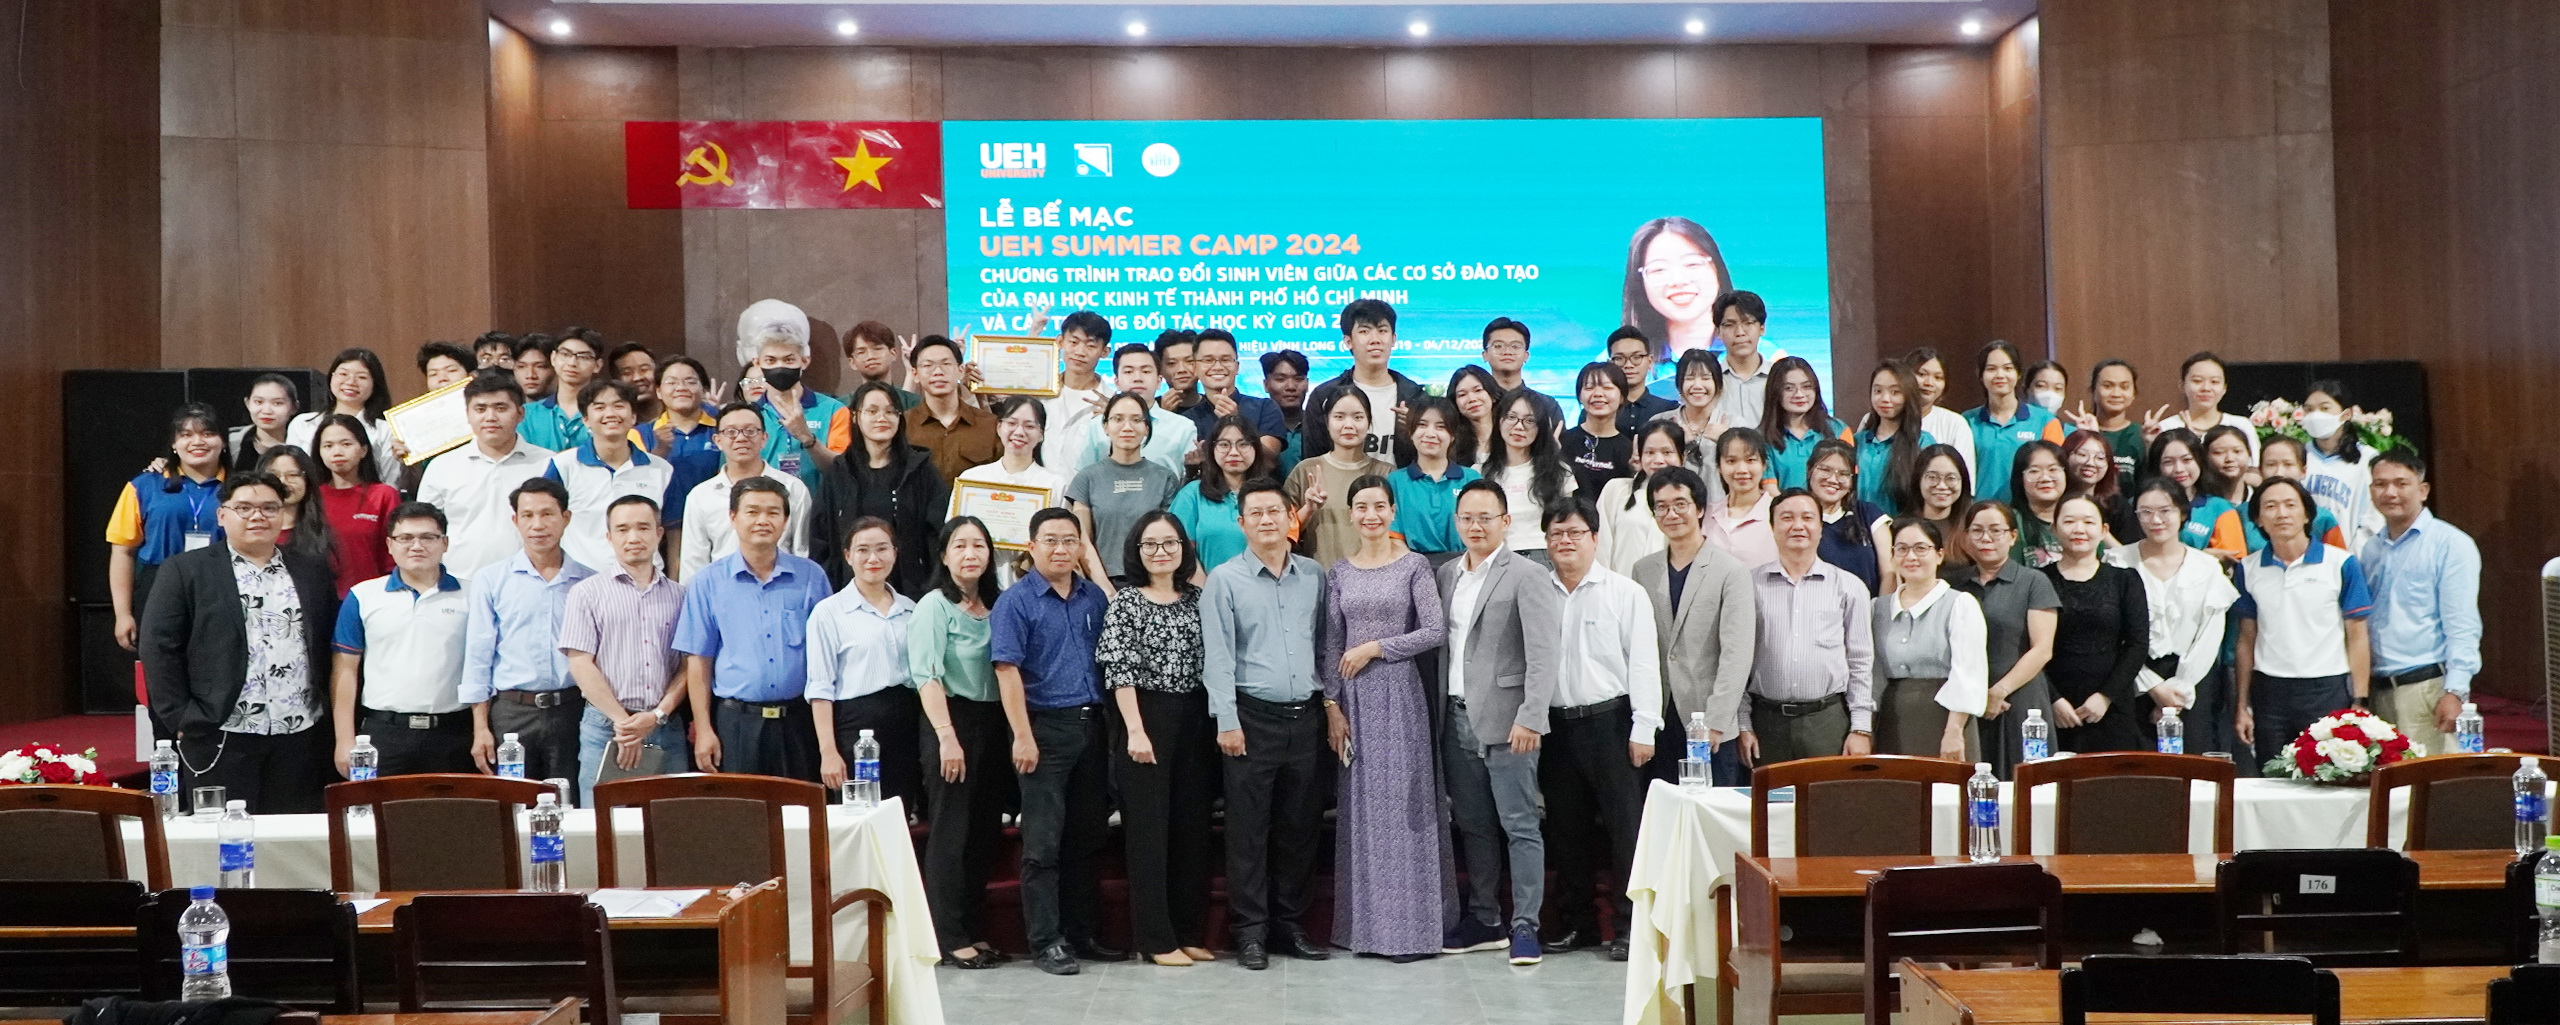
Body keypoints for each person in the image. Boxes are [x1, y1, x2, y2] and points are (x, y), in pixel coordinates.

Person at [1307, 476, 1448, 960]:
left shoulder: (1413, 567)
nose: (1371, 514)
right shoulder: (1340, 572)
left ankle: (1411, 930)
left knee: (1405, 811)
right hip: (1353, 700)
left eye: (1379, 506)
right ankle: (1366, 929)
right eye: (1361, 507)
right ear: (1351, 514)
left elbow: (1433, 630)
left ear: (1393, 512)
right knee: (1363, 812)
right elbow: (1330, 645)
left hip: (1400, 693)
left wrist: (1376, 648)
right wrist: (1331, 705)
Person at [139, 472, 335, 813]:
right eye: (244, 507)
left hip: (300, 733)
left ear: (284, 514)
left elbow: (326, 646)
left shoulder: (310, 570)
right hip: (222, 732)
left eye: (269, 508)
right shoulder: (186, 570)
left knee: (294, 846)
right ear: (222, 515)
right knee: (221, 845)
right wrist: (183, 717)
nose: (257, 516)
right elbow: (159, 648)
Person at [1203, 481, 1332, 971]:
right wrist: (1228, 722)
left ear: (1289, 517)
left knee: (1299, 828)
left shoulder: (1314, 575)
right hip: (1251, 719)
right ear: (1241, 523)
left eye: (1274, 511)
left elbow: (1323, 644)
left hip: (1307, 716)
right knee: (1248, 831)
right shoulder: (1225, 579)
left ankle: (1288, 924)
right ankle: (1250, 931)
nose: (1266, 520)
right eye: (1254, 513)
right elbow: (1218, 657)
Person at [1436, 479, 1560, 965]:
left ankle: (1525, 924)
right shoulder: (1447, 574)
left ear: (1506, 522)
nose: (1475, 526)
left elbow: (1544, 653)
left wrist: (1532, 716)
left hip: (1512, 723)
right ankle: (1485, 918)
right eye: (1467, 517)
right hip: (1457, 719)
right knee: (1473, 824)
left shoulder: (1528, 574)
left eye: (1486, 517)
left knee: (1520, 825)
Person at [990, 508, 1117, 975]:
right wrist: (1022, 735)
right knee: (1042, 842)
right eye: (1051, 541)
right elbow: (1007, 671)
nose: (1061, 549)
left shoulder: (1092, 599)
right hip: (1043, 730)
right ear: (1032, 546)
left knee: (1087, 837)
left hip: (1092, 726)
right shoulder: (1016, 602)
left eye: (1070, 541)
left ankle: (1082, 934)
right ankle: (1047, 941)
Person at [1535, 496, 1659, 961]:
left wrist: (1645, 727)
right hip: (1556, 728)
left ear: (1594, 538)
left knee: (1625, 831)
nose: (1564, 541)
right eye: (1555, 534)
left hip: (1612, 722)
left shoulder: (1625, 593)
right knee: (1567, 830)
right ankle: (1578, 925)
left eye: (1574, 533)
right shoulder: (1537, 591)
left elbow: (1644, 663)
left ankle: (1629, 928)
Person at [1096, 513, 1218, 966]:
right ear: (1137, 551)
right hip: (1145, 718)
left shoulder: (1196, 599)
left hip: (1195, 719)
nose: (1161, 552)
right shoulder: (1127, 602)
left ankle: (1188, 931)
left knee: (1191, 828)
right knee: (1149, 832)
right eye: (1151, 544)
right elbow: (1119, 670)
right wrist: (1134, 730)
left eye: (1170, 543)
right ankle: (1155, 938)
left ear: (1185, 549)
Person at [676, 476, 833, 780]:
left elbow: (827, 655)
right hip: (737, 723)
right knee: (743, 818)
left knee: (802, 816)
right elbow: (698, 660)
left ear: (786, 520)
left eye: (773, 512)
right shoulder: (708, 582)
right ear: (733, 517)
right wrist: (704, 728)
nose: (763, 520)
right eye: (752, 512)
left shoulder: (811, 577)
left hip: (800, 721)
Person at [909, 518, 1010, 968]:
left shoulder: (999, 604)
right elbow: (926, 675)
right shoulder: (934, 605)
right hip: (951, 723)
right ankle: (947, 935)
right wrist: (947, 738)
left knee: (984, 832)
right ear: (944, 555)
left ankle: (971, 927)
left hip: (994, 723)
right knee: (951, 832)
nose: (971, 553)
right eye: (960, 545)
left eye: (979, 545)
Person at [458, 477, 594, 783]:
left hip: (572, 709)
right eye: (528, 516)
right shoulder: (491, 579)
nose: (538, 525)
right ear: (515, 521)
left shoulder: (589, 583)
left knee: (569, 802)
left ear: (566, 518)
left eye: (547, 514)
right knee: (514, 805)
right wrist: (481, 726)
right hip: (511, 712)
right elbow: (479, 656)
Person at [561, 494, 690, 807]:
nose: (634, 538)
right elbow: (580, 663)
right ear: (608, 537)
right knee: (601, 827)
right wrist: (623, 722)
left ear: (659, 534)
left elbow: (689, 666)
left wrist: (658, 714)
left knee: (671, 827)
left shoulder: (680, 595)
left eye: (643, 528)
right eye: (622, 529)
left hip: (664, 727)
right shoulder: (586, 593)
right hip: (605, 728)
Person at [2235, 477, 2374, 764]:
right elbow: (2246, 638)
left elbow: (2358, 635)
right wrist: (2241, 705)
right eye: (2270, 506)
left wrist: (2360, 701)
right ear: (2258, 519)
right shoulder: (2248, 569)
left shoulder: (2341, 564)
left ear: (2307, 514)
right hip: (2270, 691)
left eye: (2290, 505)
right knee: (2273, 776)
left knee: (2327, 776)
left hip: (2327, 689)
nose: (2281, 513)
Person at [1631, 467, 1756, 786]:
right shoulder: (1643, 570)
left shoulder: (1731, 571)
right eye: (1661, 506)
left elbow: (1737, 655)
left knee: (1713, 817)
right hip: (1659, 718)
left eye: (1680, 504)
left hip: (1708, 721)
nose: (1671, 513)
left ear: (1700, 508)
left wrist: (1716, 721)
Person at [331, 502, 473, 777]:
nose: (416, 546)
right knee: (378, 817)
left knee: (454, 817)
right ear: (389, 544)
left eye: (427, 537)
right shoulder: (363, 596)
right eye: (405, 538)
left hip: (454, 734)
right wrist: (344, 740)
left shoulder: (472, 595)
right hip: (383, 735)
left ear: (445, 543)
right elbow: (345, 670)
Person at [2359, 450, 2480, 760]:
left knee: (2434, 794)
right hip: (2379, 691)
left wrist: (2455, 692)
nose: (2390, 492)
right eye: (2380, 484)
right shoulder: (2371, 549)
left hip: (2428, 689)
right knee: (2387, 796)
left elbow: (2462, 625)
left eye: (2401, 483)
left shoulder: (2450, 544)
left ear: (2423, 490)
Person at [1740, 489, 1875, 765]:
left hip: (1827, 721)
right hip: (1765, 721)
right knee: (1769, 806)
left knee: (1827, 805)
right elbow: (1736, 660)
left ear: (1820, 527)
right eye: (1786, 518)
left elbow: (1861, 661)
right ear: (1772, 527)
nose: (1797, 525)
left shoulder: (1848, 586)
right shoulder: (1748, 585)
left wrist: (1860, 727)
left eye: (1807, 518)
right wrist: (1743, 723)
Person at [2108, 479, 2241, 753]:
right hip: (2132, 679)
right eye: (2145, 512)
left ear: (2182, 512)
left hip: (2190, 685)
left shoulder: (2206, 567)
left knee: (2188, 773)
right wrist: (2153, 688)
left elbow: (2209, 636)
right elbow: (2113, 634)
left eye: (2165, 510)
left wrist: (2177, 693)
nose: (2155, 520)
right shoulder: (2117, 562)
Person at [808, 517, 922, 811]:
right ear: (847, 556)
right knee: (857, 819)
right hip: (855, 729)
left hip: (906, 724)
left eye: (882, 548)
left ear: (895, 553)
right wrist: (828, 751)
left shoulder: (911, 609)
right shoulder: (828, 612)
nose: (874, 558)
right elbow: (820, 688)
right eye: (863, 550)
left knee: (899, 818)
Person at [1947, 501, 2060, 776]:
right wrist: (1976, 697)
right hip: (1968, 703)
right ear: (1965, 537)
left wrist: (1998, 692)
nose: (1986, 538)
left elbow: (2042, 650)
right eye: (1977, 531)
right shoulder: (1954, 585)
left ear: (2012, 536)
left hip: (2019, 700)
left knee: (2023, 789)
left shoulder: (2033, 581)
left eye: (1996, 531)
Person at [109, 405, 231, 651]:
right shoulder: (144, 485)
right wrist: (123, 614)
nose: (197, 441)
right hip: (158, 585)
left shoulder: (240, 487)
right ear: (174, 444)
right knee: (161, 671)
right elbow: (122, 552)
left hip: (223, 586)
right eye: (186, 435)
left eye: (207, 433)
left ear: (223, 442)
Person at [811, 381, 948, 596]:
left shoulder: (920, 469)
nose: (882, 418)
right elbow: (821, 539)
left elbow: (938, 535)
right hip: (848, 591)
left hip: (912, 589)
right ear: (856, 416)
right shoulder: (840, 472)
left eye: (891, 411)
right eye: (872, 411)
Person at [2040, 493, 2150, 753]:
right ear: (2054, 529)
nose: (2079, 529)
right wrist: (2053, 700)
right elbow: (2028, 647)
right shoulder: (2038, 580)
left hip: (2111, 704)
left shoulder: (2125, 580)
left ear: (2103, 531)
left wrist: (2105, 697)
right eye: (2069, 522)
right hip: (2053, 703)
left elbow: (2137, 643)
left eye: (2088, 522)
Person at [1870, 519, 1988, 760]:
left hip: (1944, 720)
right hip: (1889, 719)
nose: (1910, 556)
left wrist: (1954, 731)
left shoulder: (1960, 604)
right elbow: (1871, 672)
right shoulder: (1877, 608)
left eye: (1921, 548)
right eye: (1901, 549)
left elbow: (1968, 673)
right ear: (1892, 556)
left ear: (1939, 555)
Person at [417, 372, 553, 580]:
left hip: (532, 580)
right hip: (460, 582)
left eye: (500, 408)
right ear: (467, 415)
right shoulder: (442, 467)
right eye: (480, 409)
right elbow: (424, 529)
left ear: (520, 414)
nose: (490, 417)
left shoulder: (548, 464)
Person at [541, 380, 673, 575]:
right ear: (585, 419)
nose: (610, 414)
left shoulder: (661, 469)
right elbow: (544, 522)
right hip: (579, 581)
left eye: (619, 406)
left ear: (633, 417)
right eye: (600, 407)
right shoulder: (563, 465)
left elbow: (674, 533)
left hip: (644, 582)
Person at [679, 402, 813, 578]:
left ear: (764, 438)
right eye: (731, 432)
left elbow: (802, 550)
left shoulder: (792, 488)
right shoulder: (701, 496)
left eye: (750, 431)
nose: (741, 438)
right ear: (718, 441)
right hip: (721, 594)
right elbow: (693, 563)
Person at [1068, 392, 1182, 585]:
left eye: (1136, 420)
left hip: (1154, 583)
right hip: (1102, 583)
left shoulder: (1165, 478)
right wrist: (1105, 590)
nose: (1127, 427)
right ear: (1105, 427)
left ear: (1146, 428)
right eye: (1118, 419)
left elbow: (1170, 539)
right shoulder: (1087, 478)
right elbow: (1083, 540)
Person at [1298, 299, 1425, 464]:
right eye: (1364, 331)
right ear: (1348, 341)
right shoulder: (1324, 396)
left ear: (1393, 339)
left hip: (1399, 489)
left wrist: (1416, 428)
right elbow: (1313, 459)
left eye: (1382, 330)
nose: (1375, 339)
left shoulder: (1415, 397)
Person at [1285, 387, 1397, 569]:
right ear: (1327, 423)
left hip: (1375, 581)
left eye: (1358, 417)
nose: (1349, 425)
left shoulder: (1386, 473)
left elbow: (1397, 534)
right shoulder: (1306, 471)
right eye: (1339, 417)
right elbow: (1284, 531)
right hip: (1320, 580)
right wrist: (1309, 508)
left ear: (1369, 422)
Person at [1058, 343, 1197, 480]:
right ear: (1117, 382)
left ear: (1159, 381)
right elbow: (1084, 479)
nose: (1137, 378)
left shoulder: (1182, 427)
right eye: (1129, 372)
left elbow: (1189, 483)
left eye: (1146, 371)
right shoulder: (1097, 426)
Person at [740, 316, 847, 492]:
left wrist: (807, 438)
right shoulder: (748, 415)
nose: (780, 366)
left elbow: (842, 470)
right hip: (764, 513)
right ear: (757, 363)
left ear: (804, 361)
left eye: (789, 360)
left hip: (819, 512)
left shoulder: (834, 410)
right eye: (771, 361)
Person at [1480, 389, 1576, 564]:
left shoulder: (1559, 471)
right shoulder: (1481, 470)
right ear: (1499, 420)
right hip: (1496, 557)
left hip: (1546, 557)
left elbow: (1567, 523)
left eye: (1529, 421)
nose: (1519, 426)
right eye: (1511, 417)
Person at [306, 415, 398, 594]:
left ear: (363, 450)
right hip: (321, 597)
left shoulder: (384, 495)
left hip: (371, 596)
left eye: (346, 444)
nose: (337, 452)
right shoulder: (311, 496)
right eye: (328, 446)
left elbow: (392, 556)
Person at [1964, 341, 2066, 503]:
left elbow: (2057, 474)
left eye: (2007, 368)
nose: (2000, 375)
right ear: (1981, 375)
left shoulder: (2046, 422)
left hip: (2028, 514)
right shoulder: (1966, 422)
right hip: (1980, 514)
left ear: (2018, 374)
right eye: (1991, 369)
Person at [1621, 217, 1732, 364]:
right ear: (1639, 282)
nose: (1678, 281)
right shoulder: (1615, 366)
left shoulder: (1765, 358)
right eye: (1658, 269)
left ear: (1717, 269)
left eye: (1692, 264)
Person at [1386, 398, 1479, 568]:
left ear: (1453, 435)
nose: (1430, 434)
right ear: (1410, 432)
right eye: (1422, 425)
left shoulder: (1471, 479)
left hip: (1466, 568)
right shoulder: (1395, 481)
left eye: (1441, 427)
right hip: (1411, 569)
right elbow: (1393, 538)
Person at [1169, 413, 1267, 573]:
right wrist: (1204, 588)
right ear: (1212, 449)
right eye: (1224, 445)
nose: (1234, 452)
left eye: (1243, 444)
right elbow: (1178, 549)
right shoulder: (1192, 494)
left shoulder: (1270, 494)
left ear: (1256, 449)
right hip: (1205, 590)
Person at [286, 348, 402, 483]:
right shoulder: (303, 423)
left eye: (362, 377)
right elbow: (291, 473)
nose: (351, 382)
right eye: (343, 374)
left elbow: (390, 482)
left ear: (374, 384)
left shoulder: (385, 429)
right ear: (331, 377)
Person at [647, 356, 722, 565]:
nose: (681, 388)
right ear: (659, 391)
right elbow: (640, 480)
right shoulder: (641, 434)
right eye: (671, 382)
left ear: (704, 389)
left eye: (690, 381)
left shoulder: (724, 426)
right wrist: (660, 449)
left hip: (720, 523)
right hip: (667, 531)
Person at [2296, 379, 2382, 551]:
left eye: (2325, 408)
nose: (2315, 415)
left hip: (2349, 556)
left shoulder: (2367, 458)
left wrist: (2354, 557)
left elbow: (2373, 516)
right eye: (2309, 409)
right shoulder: (2299, 455)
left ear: (2346, 414)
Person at [903, 335, 1000, 485]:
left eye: (946, 364)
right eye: (928, 365)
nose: (938, 372)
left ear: (960, 370)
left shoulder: (989, 424)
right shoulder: (903, 425)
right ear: (915, 374)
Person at [2142, 428, 2246, 560]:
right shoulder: (2141, 505)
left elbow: (2233, 559)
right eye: (2168, 462)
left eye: (2187, 460)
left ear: (2199, 461)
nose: (2179, 469)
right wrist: (2202, 555)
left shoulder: (2219, 508)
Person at [1184, 329, 1288, 460]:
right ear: (1194, 368)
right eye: (1208, 360)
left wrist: (1236, 423)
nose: (1217, 366)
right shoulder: (1186, 420)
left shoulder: (1265, 408)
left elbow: (1269, 460)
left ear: (1237, 367)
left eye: (1225, 359)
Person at [1596, 421, 1683, 575]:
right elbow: (1600, 548)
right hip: (1618, 591)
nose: (1658, 460)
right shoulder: (1617, 490)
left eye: (1667, 452)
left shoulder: (1689, 500)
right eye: (1650, 452)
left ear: (1682, 456)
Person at [1807, 439, 1891, 592]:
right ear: (1810, 470)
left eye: (1844, 474)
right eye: (1825, 470)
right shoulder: (1799, 516)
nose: (1833, 479)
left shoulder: (1869, 514)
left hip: (1868, 611)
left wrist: (1880, 613)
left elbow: (1889, 574)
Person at [2061, 359, 2164, 481]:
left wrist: (2151, 446)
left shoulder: (2141, 435)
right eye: (2107, 386)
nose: (2116, 393)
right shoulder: (2073, 432)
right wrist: (2088, 437)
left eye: (2124, 387)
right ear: (2093, 390)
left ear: (2134, 393)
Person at [1853, 361, 1931, 515]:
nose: (1885, 399)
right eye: (1878, 391)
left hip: (1903, 531)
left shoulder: (1922, 442)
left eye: (1895, 392)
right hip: (1858, 532)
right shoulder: (1857, 441)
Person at [1758, 356, 1846, 490]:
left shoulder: (1838, 429)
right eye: (1788, 388)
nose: (1799, 394)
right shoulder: (1761, 438)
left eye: (1806, 387)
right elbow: (1770, 491)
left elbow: (1847, 482)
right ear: (1775, 393)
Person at [2152, 351, 2258, 463]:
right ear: (2182, 386)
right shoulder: (2166, 428)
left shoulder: (2241, 425)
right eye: (2197, 381)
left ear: (2224, 388)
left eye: (2214, 382)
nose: (2206, 388)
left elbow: (2254, 469)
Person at [1040, 311, 1115, 467]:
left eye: (1091, 345)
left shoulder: (1112, 403)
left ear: (1105, 352)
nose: (1080, 352)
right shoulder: (1040, 392)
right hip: (1040, 488)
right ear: (1060, 342)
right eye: (1074, 342)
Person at [1893, 443, 1973, 589]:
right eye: (1932, 477)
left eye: (1951, 478)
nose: (1942, 486)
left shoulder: (1972, 526)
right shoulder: (1900, 527)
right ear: (1919, 480)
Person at [1653, 350, 1730, 490]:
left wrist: (1727, 442)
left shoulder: (1735, 425)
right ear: (1679, 384)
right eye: (1689, 378)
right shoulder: (1660, 423)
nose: (1697, 385)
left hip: (1721, 508)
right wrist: (1676, 445)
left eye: (1706, 378)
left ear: (1717, 384)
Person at [2254, 436, 2349, 551]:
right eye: (2271, 465)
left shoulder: (2323, 518)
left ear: (2303, 471)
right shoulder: (2243, 515)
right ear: (2260, 470)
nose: (2279, 472)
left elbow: (2339, 559)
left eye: (2288, 464)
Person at [1706, 428, 1779, 570]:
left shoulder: (1778, 512)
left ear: (1763, 465)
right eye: (1731, 461)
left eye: (1750, 460)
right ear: (1719, 467)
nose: (1741, 470)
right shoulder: (1706, 514)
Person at [253, 445, 334, 574]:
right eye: (273, 475)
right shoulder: (247, 531)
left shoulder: (326, 534)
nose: (283, 481)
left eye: (293, 474)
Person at [1563, 361, 1636, 497]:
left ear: (1622, 396)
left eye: (1607, 388)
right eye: (1589, 388)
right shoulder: (1563, 442)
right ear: (1579, 396)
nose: (1598, 394)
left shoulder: (1629, 450)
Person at [1903, 347, 1977, 479]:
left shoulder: (1955, 423)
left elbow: (1964, 480)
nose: (1929, 383)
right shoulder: (1881, 419)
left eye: (1938, 377)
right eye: (1921, 374)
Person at [1712, 291, 1782, 426]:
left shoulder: (1781, 377)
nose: (1740, 332)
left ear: (1762, 328)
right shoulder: (1710, 382)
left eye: (1748, 323)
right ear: (1718, 332)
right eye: (1729, 325)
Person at [520, 332, 599, 452]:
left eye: (583, 357)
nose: (572, 363)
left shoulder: (604, 413)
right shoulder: (527, 414)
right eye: (565, 354)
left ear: (597, 365)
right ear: (553, 358)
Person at [1479, 317, 1564, 427]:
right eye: (1498, 346)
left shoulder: (1547, 405)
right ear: (1485, 355)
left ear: (1526, 356)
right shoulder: (1475, 404)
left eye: (1515, 346)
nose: (1507, 351)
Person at [2060, 429, 2138, 544]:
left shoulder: (2117, 506)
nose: (2090, 463)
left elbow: (2129, 556)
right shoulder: (2054, 499)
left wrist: (2100, 531)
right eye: (2082, 454)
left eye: (2100, 458)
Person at [2006, 440, 2069, 568]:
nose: (2045, 478)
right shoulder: (2010, 522)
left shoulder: (2081, 518)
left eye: (2053, 469)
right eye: (2034, 471)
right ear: (2020, 478)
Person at [839, 320, 921, 410]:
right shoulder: (840, 407)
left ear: (893, 354)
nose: (870, 356)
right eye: (861, 352)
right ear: (852, 362)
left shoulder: (915, 403)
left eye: (877, 349)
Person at [1605, 326, 1678, 425]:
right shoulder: (1598, 411)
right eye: (1619, 358)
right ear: (1609, 363)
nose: (1628, 365)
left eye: (1636, 357)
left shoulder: (1668, 410)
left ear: (1650, 361)